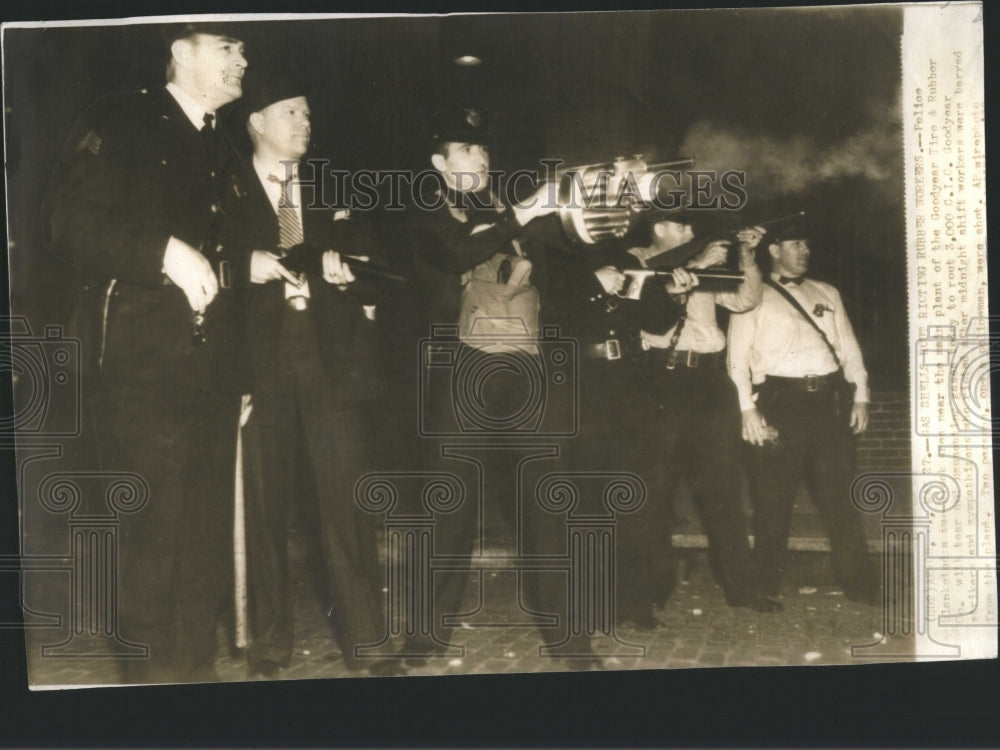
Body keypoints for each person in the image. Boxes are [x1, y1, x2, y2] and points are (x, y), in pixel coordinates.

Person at [42, 23, 248, 683]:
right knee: (151, 541)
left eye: (243, 50)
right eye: (228, 47)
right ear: (183, 52)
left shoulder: (222, 144)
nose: (242, 59)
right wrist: (163, 251)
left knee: (204, 541)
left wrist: (241, 375)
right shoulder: (122, 119)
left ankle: (195, 679)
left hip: (211, 370)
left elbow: (229, 263)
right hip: (139, 366)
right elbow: (69, 222)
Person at [222, 68, 400, 678]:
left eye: (307, 112)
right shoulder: (226, 187)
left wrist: (353, 271)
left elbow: (376, 265)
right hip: (259, 367)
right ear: (256, 122)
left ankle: (369, 647)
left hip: (332, 365)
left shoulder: (332, 185)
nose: (305, 122)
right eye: (291, 112)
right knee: (265, 509)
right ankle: (269, 646)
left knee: (346, 509)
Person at [403, 105, 591, 666]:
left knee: (548, 501)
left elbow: (571, 261)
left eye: (483, 150)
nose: (480, 158)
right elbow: (458, 251)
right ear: (439, 162)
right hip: (463, 368)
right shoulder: (427, 207)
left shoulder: (514, 213)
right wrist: (527, 212)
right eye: (466, 150)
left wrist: (588, 208)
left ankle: (570, 640)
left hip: (528, 366)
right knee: (450, 505)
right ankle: (426, 636)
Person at [571, 209, 779, 629]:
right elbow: (634, 299)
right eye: (683, 226)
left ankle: (743, 588)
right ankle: (646, 596)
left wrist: (747, 255)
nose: (691, 233)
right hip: (661, 379)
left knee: (723, 488)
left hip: (709, 380)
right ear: (660, 228)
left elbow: (745, 299)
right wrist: (694, 266)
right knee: (654, 493)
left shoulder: (701, 265)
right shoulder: (638, 258)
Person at [727, 219, 879, 603]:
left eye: (807, 244)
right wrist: (748, 410)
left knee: (839, 499)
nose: (805, 251)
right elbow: (737, 357)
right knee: (772, 501)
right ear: (774, 250)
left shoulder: (827, 291)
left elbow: (849, 348)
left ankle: (861, 585)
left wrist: (860, 395)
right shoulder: (751, 294)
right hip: (780, 402)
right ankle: (764, 587)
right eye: (796, 244)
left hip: (828, 402)